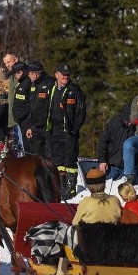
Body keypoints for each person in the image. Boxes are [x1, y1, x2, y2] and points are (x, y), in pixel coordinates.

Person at [52, 168, 121, 275]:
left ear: (89, 186)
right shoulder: (115, 200)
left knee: (68, 237)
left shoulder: (86, 202)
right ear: (104, 183)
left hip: (89, 248)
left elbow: (75, 223)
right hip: (110, 246)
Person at [49, 64, 86, 199]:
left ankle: (71, 189)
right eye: (63, 74)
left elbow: (81, 111)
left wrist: (75, 129)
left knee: (70, 160)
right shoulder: (52, 89)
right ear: (56, 75)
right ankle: (61, 188)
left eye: (67, 75)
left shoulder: (75, 90)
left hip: (69, 131)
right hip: (55, 131)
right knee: (58, 161)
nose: (65, 77)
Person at [24, 61, 55, 158]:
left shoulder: (51, 83)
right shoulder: (34, 85)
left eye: (29, 74)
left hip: (49, 128)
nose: (28, 77)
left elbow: (52, 106)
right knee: (38, 157)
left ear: (35, 74)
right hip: (36, 127)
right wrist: (31, 126)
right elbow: (32, 106)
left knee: (50, 157)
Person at [97, 104, 135, 181]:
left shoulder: (137, 127)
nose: (130, 123)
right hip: (111, 167)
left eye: (131, 121)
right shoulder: (113, 123)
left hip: (128, 169)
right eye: (127, 121)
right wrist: (102, 160)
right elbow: (103, 142)